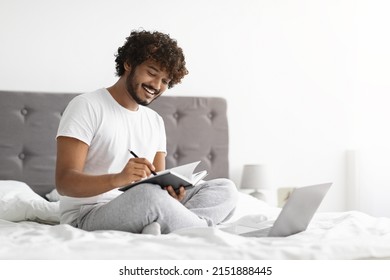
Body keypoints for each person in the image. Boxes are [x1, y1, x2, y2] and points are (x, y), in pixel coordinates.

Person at [55, 30, 238, 235]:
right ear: (128, 63)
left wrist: (171, 195)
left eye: (165, 81)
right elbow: (65, 183)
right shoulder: (86, 105)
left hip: (143, 203)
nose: (157, 86)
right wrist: (118, 179)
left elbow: (158, 182)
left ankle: (169, 222)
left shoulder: (155, 121)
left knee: (225, 189)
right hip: (87, 215)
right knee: (148, 196)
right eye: (152, 73)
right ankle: (199, 229)